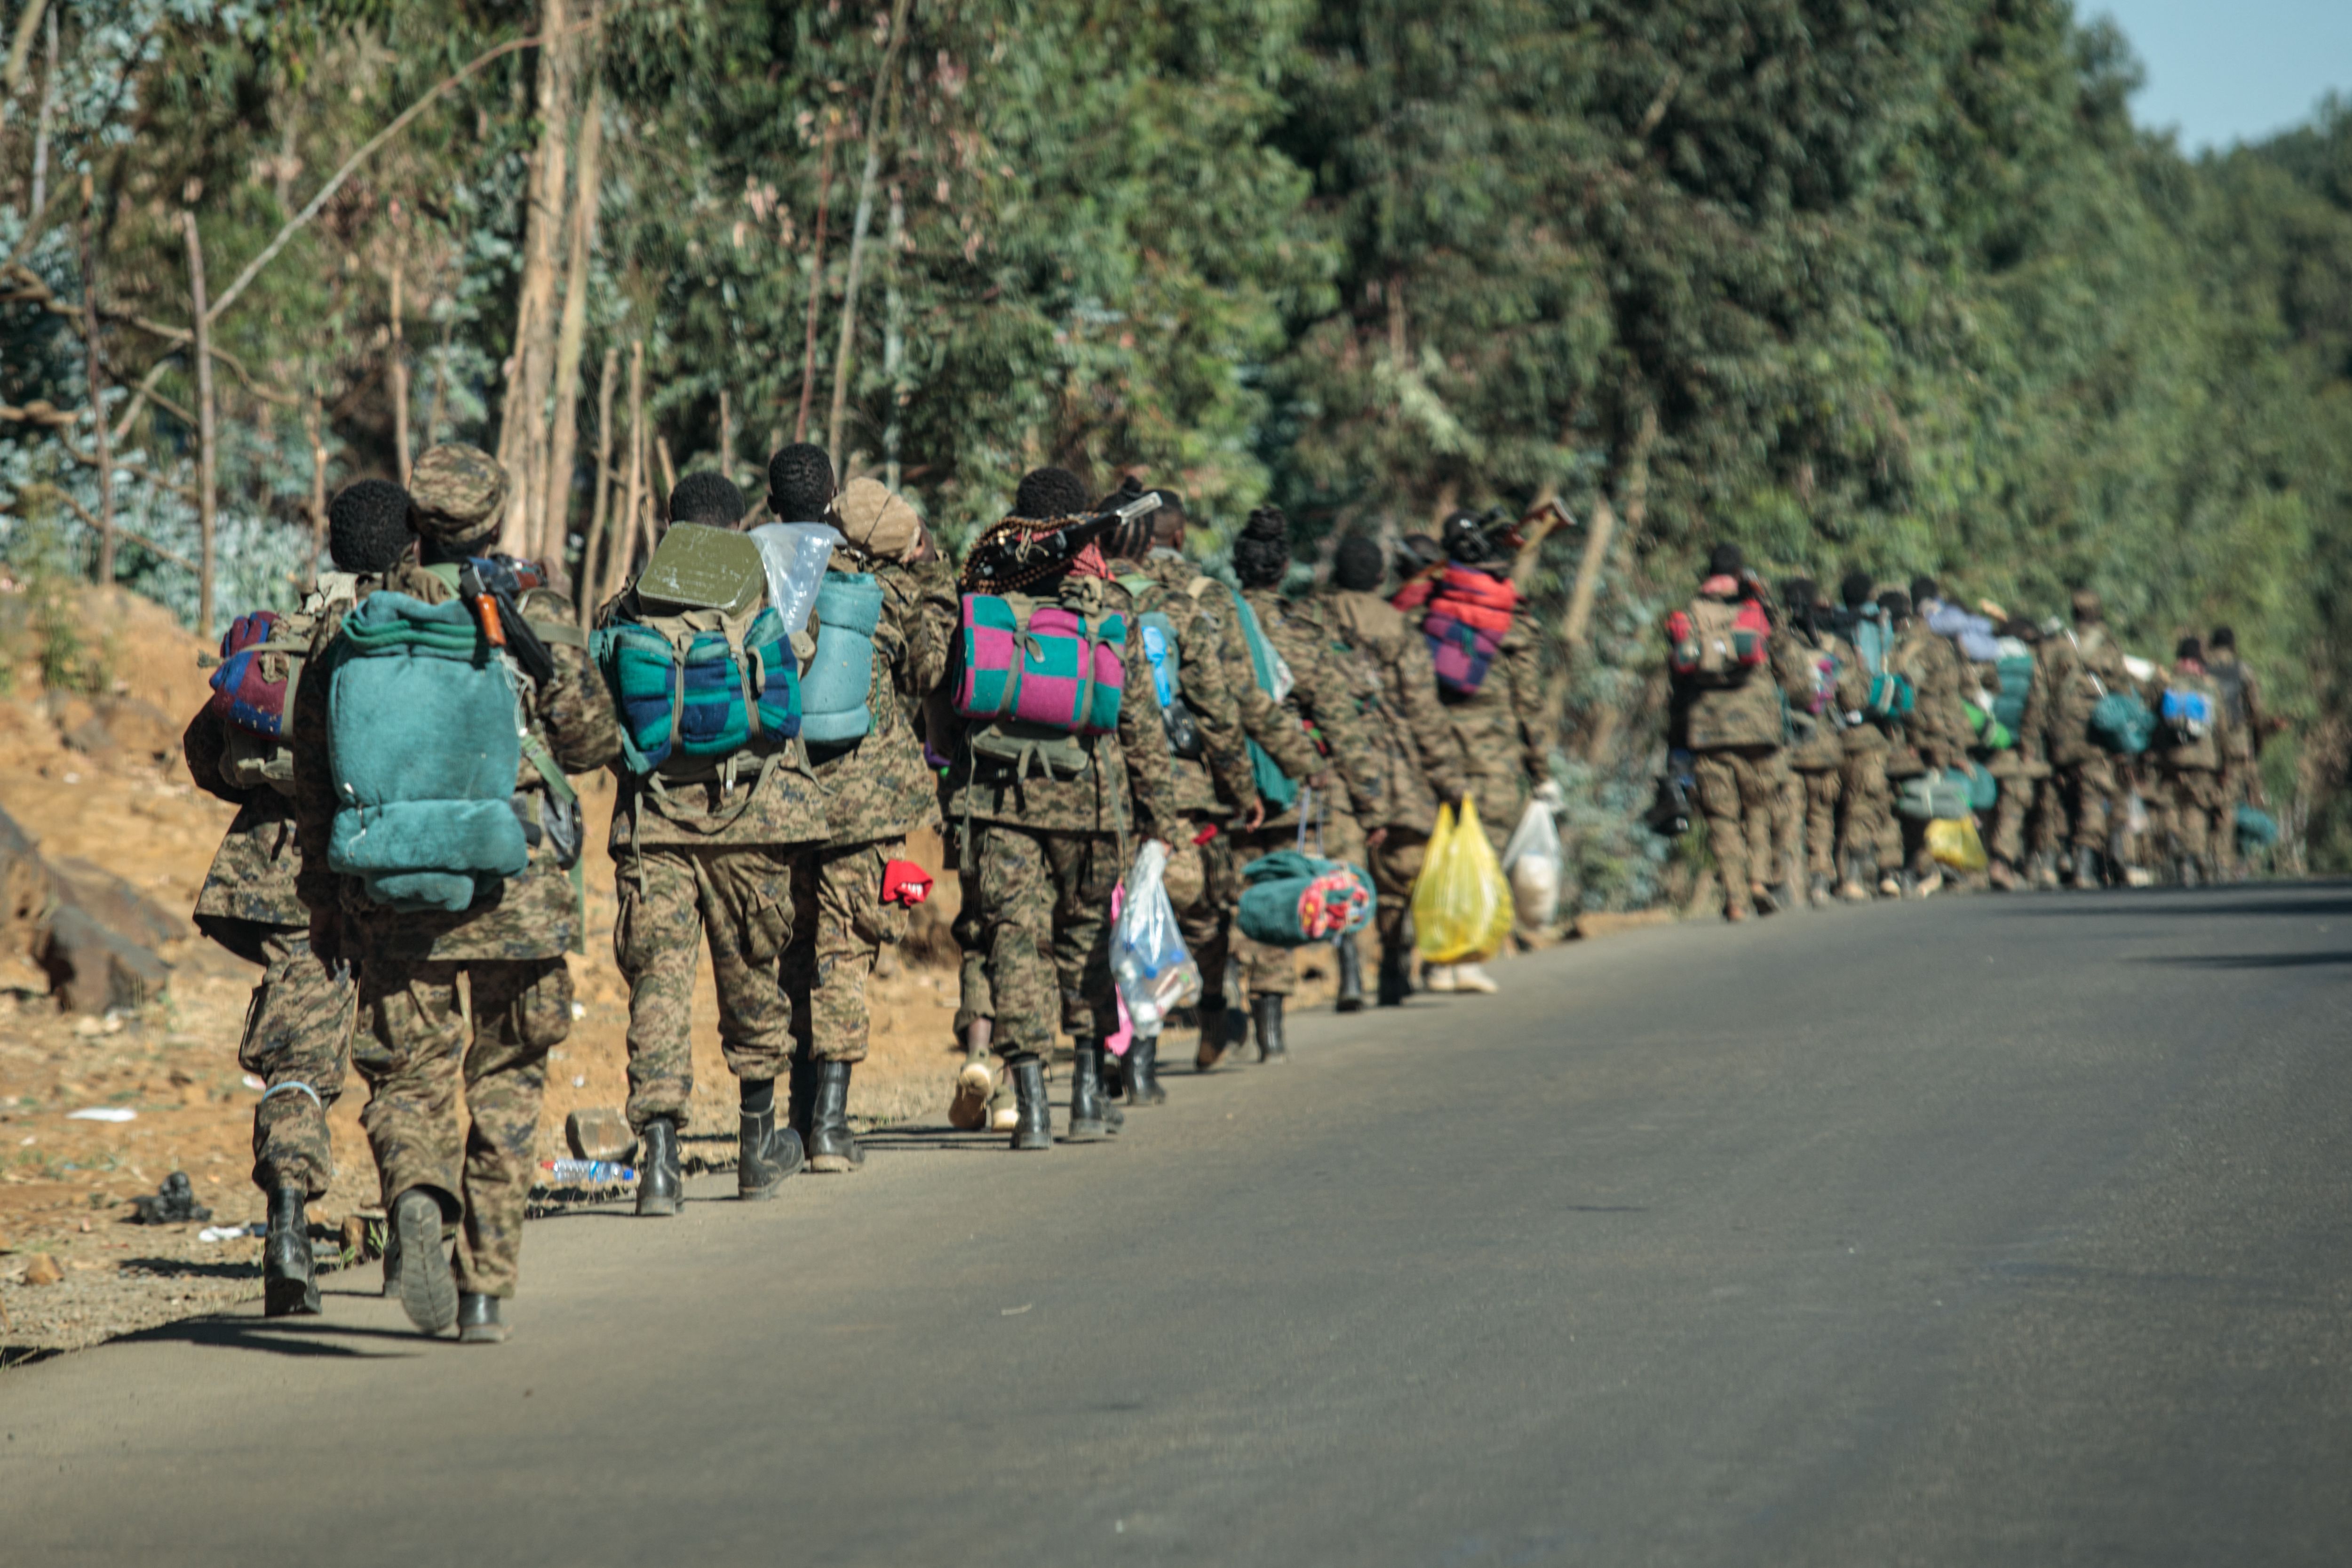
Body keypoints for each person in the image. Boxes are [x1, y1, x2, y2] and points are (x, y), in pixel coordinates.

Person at [293, 444, 620, 1343]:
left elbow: (315, 772)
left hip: (394, 888)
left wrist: (325, 897)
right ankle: (484, 1289)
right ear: (496, 519)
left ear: (415, 521)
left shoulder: (356, 621)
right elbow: (592, 742)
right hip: (517, 886)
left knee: (408, 1074)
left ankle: (417, 1196)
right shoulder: (533, 610)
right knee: (508, 1080)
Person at [183, 478, 411, 1316]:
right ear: (410, 547)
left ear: (334, 546)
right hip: (399, 875)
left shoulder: (292, 632)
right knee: (408, 1061)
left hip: (291, 882)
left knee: (297, 1064)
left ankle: (287, 1224)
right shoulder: (419, 632)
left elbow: (206, 751)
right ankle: (413, 1229)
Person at [604, 466, 826, 1216]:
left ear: (672, 525)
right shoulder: (761, 591)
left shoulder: (633, 598)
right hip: (746, 818)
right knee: (753, 974)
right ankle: (758, 1147)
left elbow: (605, 688)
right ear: (736, 527)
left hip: (654, 827)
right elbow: (798, 664)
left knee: (658, 988)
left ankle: (659, 1165)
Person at [942, 466, 1177, 1148]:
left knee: (1014, 941)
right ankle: (1086, 1096)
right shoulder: (1109, 603)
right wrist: (1159, 817)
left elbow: (953, 700)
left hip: (998, 799)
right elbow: (1139, 721)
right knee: (1085, 942)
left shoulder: (985, 592)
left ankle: (1031, 1107)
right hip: (1091, 802)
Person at [779, 470, 956, 1170]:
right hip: (869, 806)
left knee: (793, 953)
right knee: (845, 956)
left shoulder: (775, 579)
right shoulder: (889, 595)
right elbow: (929, 673)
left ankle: (792, 1119)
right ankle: (830, 1124)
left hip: (785, 799)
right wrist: (932, 574)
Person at [1106, 486, 1309, 1082]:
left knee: (1115, 915)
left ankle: (1130, 1055)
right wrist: (1244, 789)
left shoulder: (1087, 597)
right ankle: (1212, 1014)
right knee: (1199, 913)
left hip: (1104, 791)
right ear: (1176, 536)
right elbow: (1226, 705)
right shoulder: (1197, 600)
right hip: (1184, 792)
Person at [1225, 506, 1384, 1035]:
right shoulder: (1303, 635)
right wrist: (1369, 803)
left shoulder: (1216, 625)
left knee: (1231, 893)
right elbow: (1342, 725)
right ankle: (1271, 1027)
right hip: (1294, 783)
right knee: (1281, 886)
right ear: (1283, 568)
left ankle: (1223, 1006)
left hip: (1228, 782)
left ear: (1238, 567)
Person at [1324, 534, 1469, 1002]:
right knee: (1399, 870)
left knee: (1341, 864)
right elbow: (1423, 711)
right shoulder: (1399, 628)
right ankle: (1393, 962)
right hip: (1395, 765)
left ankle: (1349, 967)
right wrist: (1450, 780)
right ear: (1379, 578)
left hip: (1330, 760)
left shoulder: (1313, 618)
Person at [1414, 509, 1557, 982]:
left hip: (1435, 751)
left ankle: (1436, 956)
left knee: (1439, 853)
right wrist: (1541, 772)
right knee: (1485, 854)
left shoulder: (1428, 608)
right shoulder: (1507, 616)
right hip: (1493, 755)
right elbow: (1528, 703)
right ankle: (1467, 959)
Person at [1666, 544, 1779, 921]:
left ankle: (1734, 898)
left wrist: (1677, 741)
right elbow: (1782, 663)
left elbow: (1678, 684)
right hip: (1757, 729)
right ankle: (1758, 880)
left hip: (1708, 730)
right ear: (1739, 572)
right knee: (1758, 806)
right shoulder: (1755, 610)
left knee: (1722, 817)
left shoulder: (1689, 614)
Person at [1771, 578, 1867, 908]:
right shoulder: (1836, 646)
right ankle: (1820, 883)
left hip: (1787, 746)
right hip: (1825, 747)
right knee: (1822, 816)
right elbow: (1853, 700)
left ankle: (1786, 886)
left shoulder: (1777, 643)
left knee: (1787, 817)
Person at [2039, 589, 2131, 887]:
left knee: (2060, 797)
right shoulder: (2109, 648)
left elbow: (2038, 696)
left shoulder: (2055, 646)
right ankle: (2083, 866)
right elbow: (2122, 696)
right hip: (2095, 737)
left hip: (2061, 736)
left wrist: (2034, 741)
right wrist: (2124, 745)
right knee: (2092, 798)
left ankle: (2053, 862)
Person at [1833, 572, 1904, 900]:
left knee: (1844, 806)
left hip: (1834, 731)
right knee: (1871, 801)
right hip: (1873, 727)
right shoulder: (1879, 624)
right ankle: (1866, 875)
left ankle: (1846, 875)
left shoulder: (1833, 625)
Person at [2154, 636, 2228, 885]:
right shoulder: (2210, 686)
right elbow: (2221, 728)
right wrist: (2225, 763)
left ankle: (2175, 844)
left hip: (2172, 760)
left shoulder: (2167, 683)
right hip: (2203, 761)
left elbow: (2155, 721)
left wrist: (2155, 756)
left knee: (2171, 806)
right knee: (2195, 811)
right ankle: (2189, 862)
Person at [2206, 626, 2269, 879]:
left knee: (2207, 801)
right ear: (2233, 645)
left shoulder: (2202, 669)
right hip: (2237, 745)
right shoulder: (2243, 670)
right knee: (2229, 802)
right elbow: (2256, 711)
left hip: (2206, 744)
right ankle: (2224, 861)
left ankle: (2207, 857)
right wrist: (2258, 743)